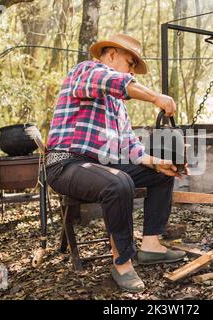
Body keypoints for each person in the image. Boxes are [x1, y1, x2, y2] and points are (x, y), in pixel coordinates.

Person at [45, 34, 186, 293]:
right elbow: (116, 80)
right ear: (110, 55)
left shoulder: (117, 104)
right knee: (120, 182)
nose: (133, 71)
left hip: (103, 165)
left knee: (162, 175)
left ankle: (151, 246)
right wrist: (155, 97)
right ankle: (122, 262)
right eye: (130, 63)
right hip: (66, 164)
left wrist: (158, 164)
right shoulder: (86, 70)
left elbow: (132, 148)